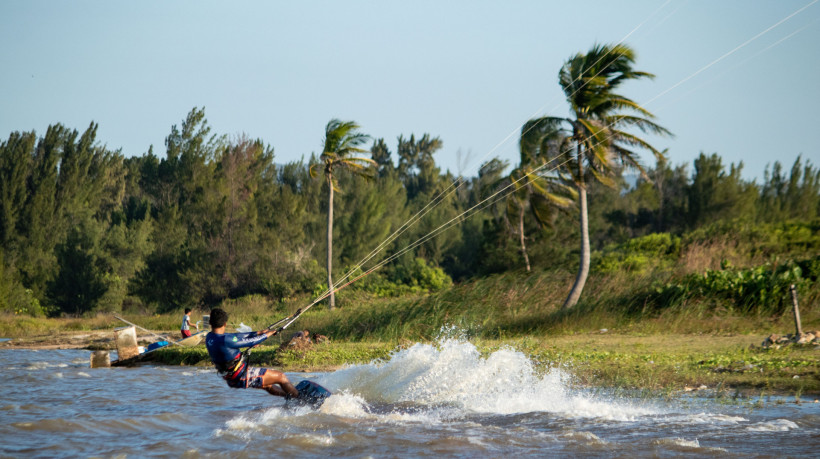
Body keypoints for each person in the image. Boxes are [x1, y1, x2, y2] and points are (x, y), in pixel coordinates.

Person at [205, 308, 299, 398]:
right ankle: (301, 400)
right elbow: (252, 342)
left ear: (210, 323)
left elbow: (235, 336)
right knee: (281, 377)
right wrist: (268, 334)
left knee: (268, 385)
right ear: (225, 324)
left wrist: (258, 332)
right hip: (242, 376)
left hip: (232, 378)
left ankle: (290, 397)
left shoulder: (210, 337)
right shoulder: (225, 340)